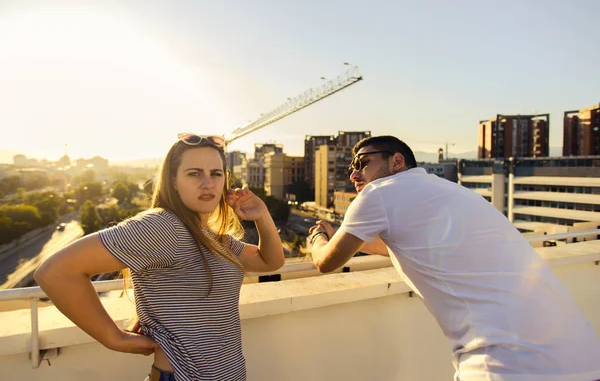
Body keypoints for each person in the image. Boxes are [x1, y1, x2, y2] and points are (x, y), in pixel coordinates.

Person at [307, 135, 600, 381]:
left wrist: (317, 239)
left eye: (362, 162)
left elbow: (326, 262)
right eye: (350, 168)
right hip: (582, 358)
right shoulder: (450, 191)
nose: (354, 174)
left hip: (507, 365)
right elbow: (405, 246)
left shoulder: (377, 194)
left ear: (397, 161)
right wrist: (343, 236)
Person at [35, 133, 285, 381]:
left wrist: (262, 215)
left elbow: (269, 261)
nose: (208, 184)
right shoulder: (165, 227)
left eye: (216, 174)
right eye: (194, 173)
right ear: (173, 181)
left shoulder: (210, 235)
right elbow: (55, 272)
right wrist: (114, 338)